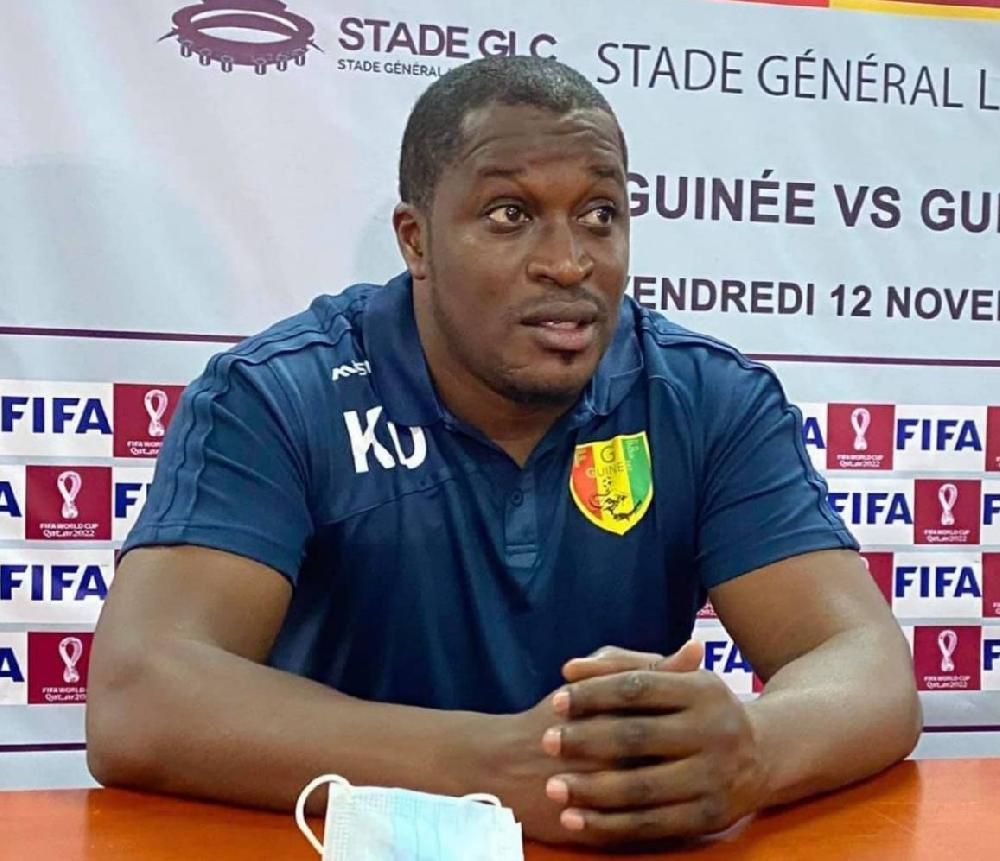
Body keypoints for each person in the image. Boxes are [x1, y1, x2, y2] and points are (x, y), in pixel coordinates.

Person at [87, 55, 921, 848]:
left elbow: (869, 666)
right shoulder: (280, 393)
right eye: (509, 215)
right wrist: (492, 767)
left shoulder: (707, 396)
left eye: (600, 214)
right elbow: (141, 695)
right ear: (416, 240)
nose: (568, 262)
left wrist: (752, 749)